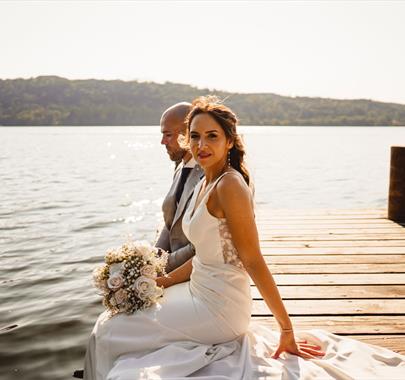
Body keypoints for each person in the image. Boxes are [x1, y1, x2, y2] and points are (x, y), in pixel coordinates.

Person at [83, 97, 405, 379]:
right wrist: (162, 282)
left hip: (219, 308)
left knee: (110, 330)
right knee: (112, 319)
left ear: (229, 140)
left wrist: (286, 329)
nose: (202, 145)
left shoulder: (230, 186)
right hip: (197, 290)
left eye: (212, 136)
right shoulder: (204, 181)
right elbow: (204, 256)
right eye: (195, 136)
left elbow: (252, 259)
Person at [156, 102, 204, 272]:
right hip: (172, 265)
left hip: (195, 270)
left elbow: (201, 245)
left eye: (168, 135)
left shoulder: (208, 174)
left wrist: (162, 265)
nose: (162, 142)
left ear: (187, 133)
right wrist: (153, 256)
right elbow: (171, 223)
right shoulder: (180, 166)